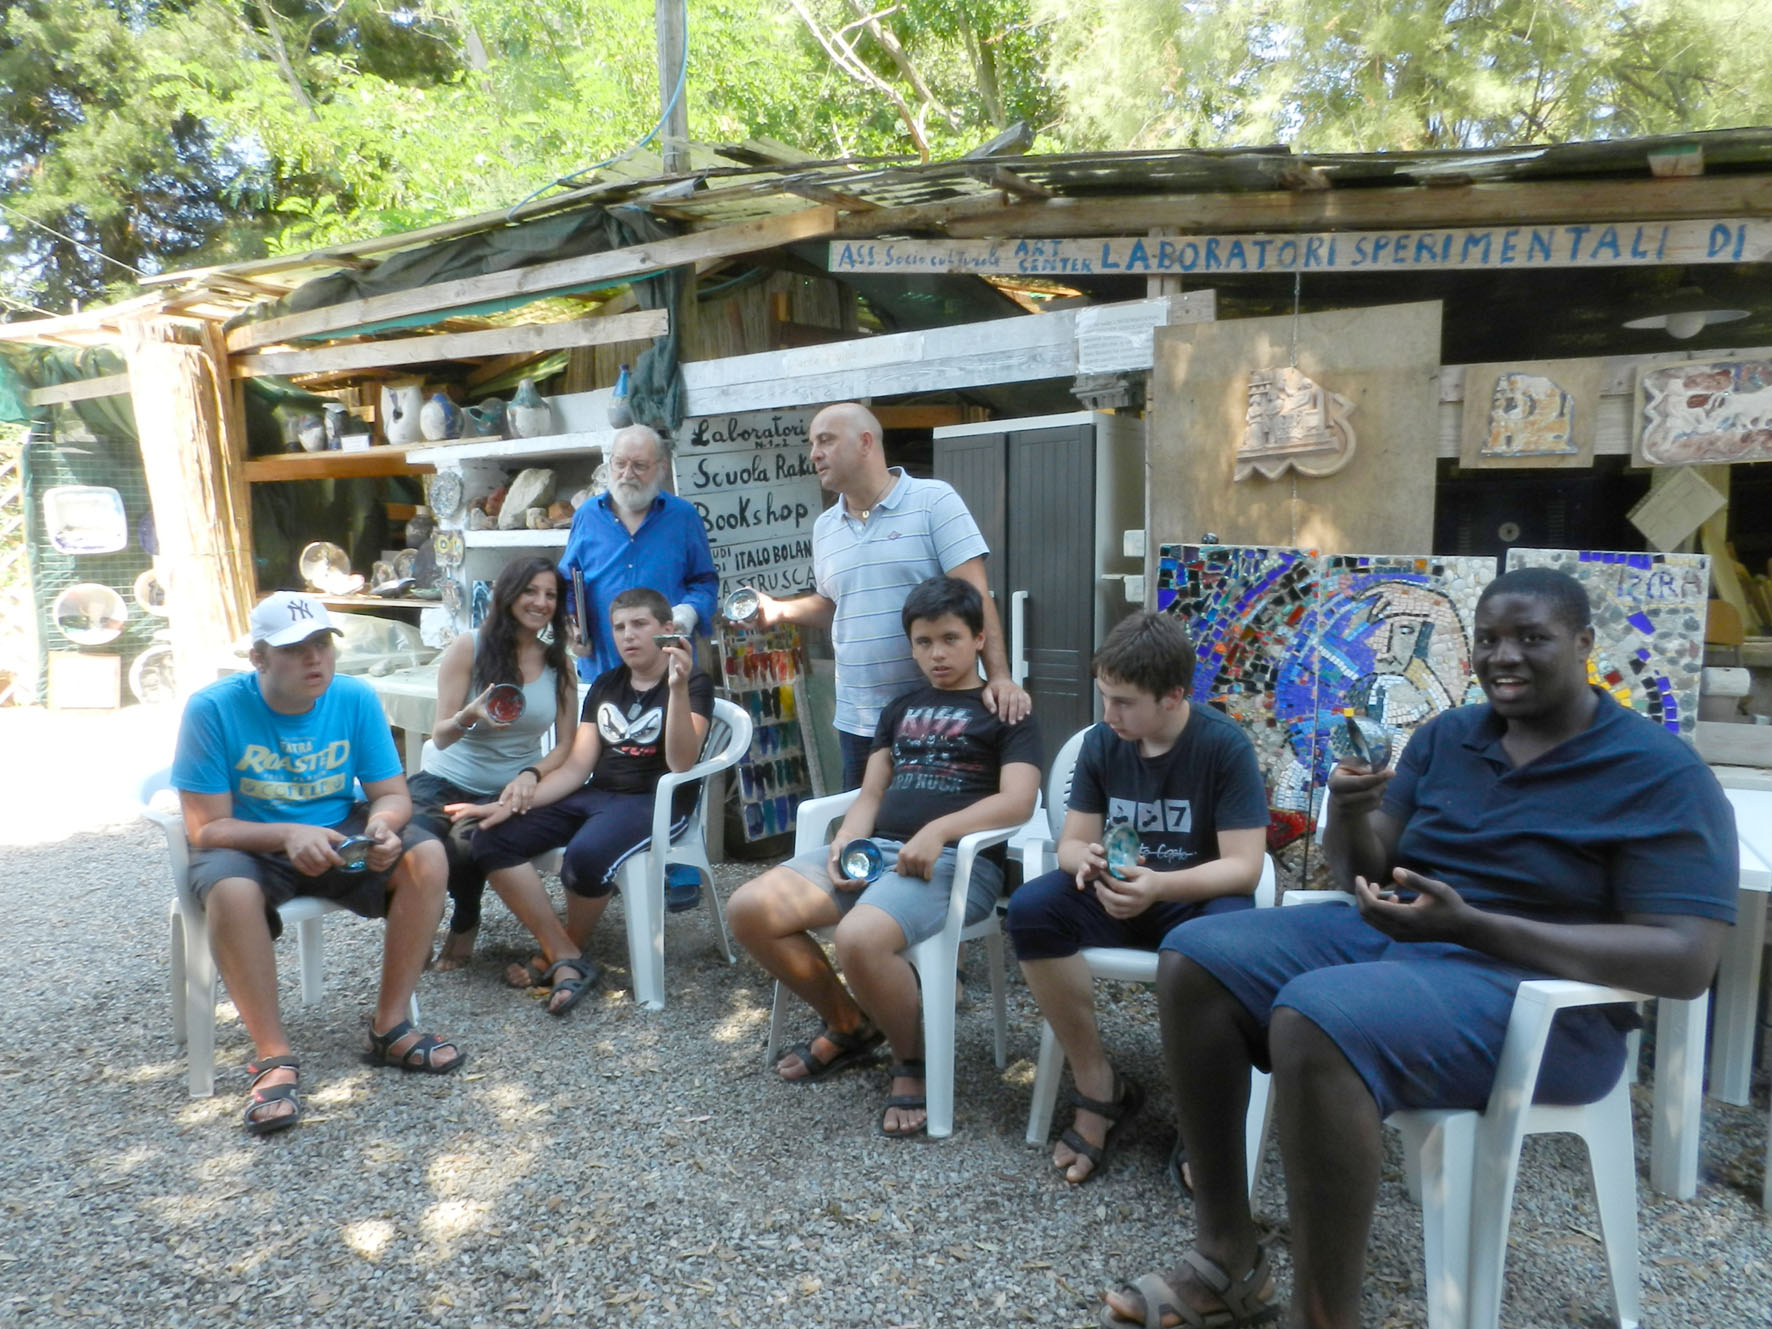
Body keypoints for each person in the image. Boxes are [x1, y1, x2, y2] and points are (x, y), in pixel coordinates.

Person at [1098, 567, 1737, 1329]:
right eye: (1491, 638)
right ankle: (1226, 1257)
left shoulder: (1659, 772)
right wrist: (1351, 805)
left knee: (1317, 1014)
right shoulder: (1449, 737)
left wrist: (1472, 926)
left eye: (1532, 637)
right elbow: (1371, 870)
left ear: (1585, 644)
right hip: (1412, 947)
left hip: (1540, 1002)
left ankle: (1324, 1316)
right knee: (1197, 956)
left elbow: (1686, 960)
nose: (1505, 655)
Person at [727, 576, 1043, 1136]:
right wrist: (847, 837)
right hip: (876, 853)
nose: (936, 654)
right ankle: (849, 1023)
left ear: (976, 639)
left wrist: (939, 831)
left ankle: (912, 1060)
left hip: (955, 865)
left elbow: (1018, 802)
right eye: (924, 642)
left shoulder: (1005, 710)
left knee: (859, 938)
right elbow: (870, 794)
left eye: (949, 638)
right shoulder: (901, 708)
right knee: (750, 908)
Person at [170, 592, 464, 1137]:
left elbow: (393, 795)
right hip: (250, 839)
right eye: (296, 649)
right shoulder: (212, 708)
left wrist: (383, 827)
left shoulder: (354, 697)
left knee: (426, 853)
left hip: (339, 832)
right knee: (231, 892)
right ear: (257, 658)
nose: (315, 660)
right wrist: (287, 833)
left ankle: (390, 1025)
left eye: (323, 644)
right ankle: (272, 1054)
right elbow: (205, 829)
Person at [1005, 611, 1267, 1184]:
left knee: (1219, 951)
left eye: (1124, 702)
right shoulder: (1103, 743)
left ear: (1173, 696)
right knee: (1030, 911)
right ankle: (1099, 1085)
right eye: (1104, 697)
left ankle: (1204, 1118)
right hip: (1119, 891)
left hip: (1194, 900)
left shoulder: (1224, 748)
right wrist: (1087, 861)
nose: (1108, 715)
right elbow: (1071, 843)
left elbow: (1244, 869)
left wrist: (1161, 887)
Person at [449, 586, 713, 1015]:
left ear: (667, 630)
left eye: (640, 625)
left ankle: (560, 955)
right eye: (619, 627)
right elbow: (575, 769)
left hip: (657, 802)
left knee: (586, 857)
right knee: (490, 836)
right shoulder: (608, 683)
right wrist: (511, 804)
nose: (628, 636)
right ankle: (565, 953)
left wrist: (678, 689)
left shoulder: (694, 681)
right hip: (597, 795)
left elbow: (681, 763)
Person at [750, 402, 1030, 790]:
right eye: (812, 443)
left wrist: (999, 677)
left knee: (929, 834)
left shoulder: (934, 501)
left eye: (826, 440)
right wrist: (779, 610)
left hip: (935, 715)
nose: (814, 453)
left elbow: (974, 596)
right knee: (865, 838)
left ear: (866, 443)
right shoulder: (825, 526)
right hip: (858, 720)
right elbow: (836, 605)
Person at [408, 556, 579, 971]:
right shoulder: (470, 646)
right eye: (530, 591)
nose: (540, 602)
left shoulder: (560, 664)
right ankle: (414, 926)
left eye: (550, 595)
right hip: (445, 778)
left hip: (509, 788)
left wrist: (529, 775)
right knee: (413, 840)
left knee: (468, 841)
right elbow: (442, 735)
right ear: (508, 595)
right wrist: (470, 715)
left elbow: (567, 745)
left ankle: (465, 920)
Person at [558, 423, 717, 680]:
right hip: (602, 672)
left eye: (639, 466)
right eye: (619, 464)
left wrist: (689, 612)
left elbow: (705, 584)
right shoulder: (587, 516)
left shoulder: (683, 517)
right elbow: (565, 584)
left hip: (669, 672)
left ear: (661, 468)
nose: (627, 474)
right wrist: (571, 628)